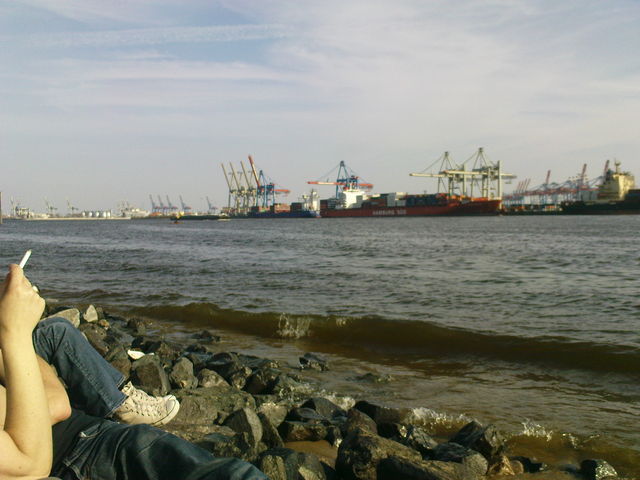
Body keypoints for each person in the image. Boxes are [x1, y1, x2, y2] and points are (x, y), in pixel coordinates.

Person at [0, 264, 268, 480]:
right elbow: (55, 412)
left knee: (54, 330)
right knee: (237, 474)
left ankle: (120, 400)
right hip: (80, 453)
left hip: (83, 438)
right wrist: (15, 335)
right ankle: (119, 404)